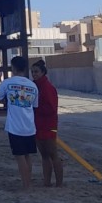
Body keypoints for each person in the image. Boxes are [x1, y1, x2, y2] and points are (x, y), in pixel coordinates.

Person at [0, 56, 39, 189]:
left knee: (19, 157)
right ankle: (28, 182)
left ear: (13, 68)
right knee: (27, 156)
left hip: (15, 127)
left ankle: (26, 185)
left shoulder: (7, 83)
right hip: (29, 126)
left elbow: (0, 99)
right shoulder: (33, 85)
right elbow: (34, 105)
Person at [31, 59, 63, 187]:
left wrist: (34, 108)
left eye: (36, 72)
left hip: (48, 125)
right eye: (32, 72)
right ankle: (47, 182)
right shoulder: (34, 86)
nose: (34, 74)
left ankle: (59, 183)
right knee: (44, 155)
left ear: (43, 72)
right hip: (37, 125)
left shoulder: (48, 87)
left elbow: (51, 108)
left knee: (52, 153)